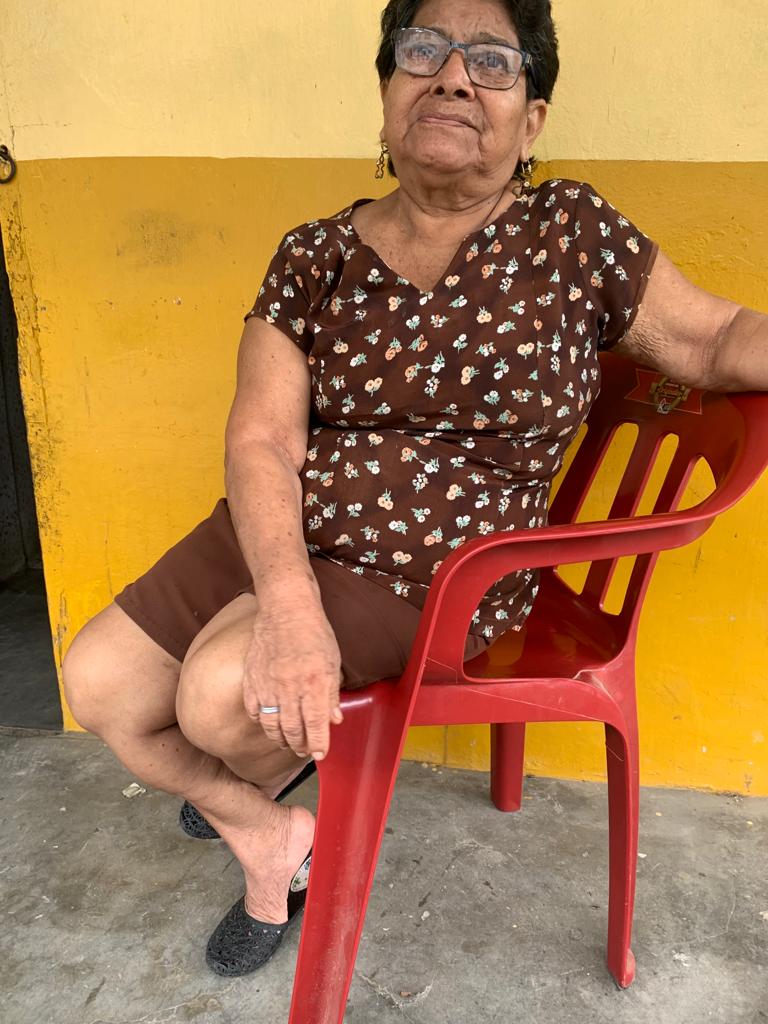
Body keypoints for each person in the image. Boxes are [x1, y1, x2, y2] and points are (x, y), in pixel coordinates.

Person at [62, 0, 767, 979]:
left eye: (493, 62)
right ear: (390, 90)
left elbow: (717, 339)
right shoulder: (313, 254)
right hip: (282, 525)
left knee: (216, 704)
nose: (453, 76)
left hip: (435, 571)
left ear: (531, 121)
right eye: (423, 50)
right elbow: (262, 437)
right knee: (95, 683)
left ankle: (254, 793)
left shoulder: (573, 234)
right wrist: (289, 605)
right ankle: (268, 830)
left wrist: (290, 627)